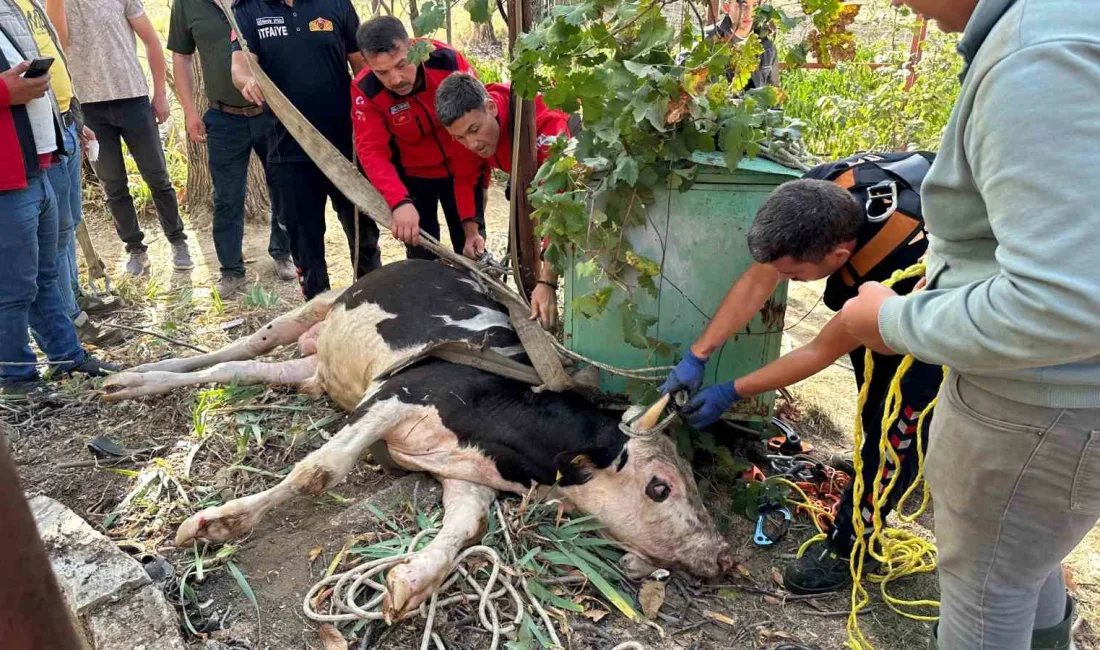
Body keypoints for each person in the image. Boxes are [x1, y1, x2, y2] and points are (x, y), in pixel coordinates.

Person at [839, 0, 1099, 648]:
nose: (895, 3)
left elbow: (1066, 303)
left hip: (1037, 405)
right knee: (1018, 566)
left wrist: (894, 319)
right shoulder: (1060, 28)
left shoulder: (1037, 55)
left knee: (986, 595)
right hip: (1054, 405)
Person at [660, 153, 942, 596]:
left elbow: (821, 348)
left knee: (895, 425)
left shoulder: (901, 261)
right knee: (872, 399)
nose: (785, 279)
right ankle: (873, 471)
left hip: (929, 318)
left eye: (794, 274)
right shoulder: (820, 191)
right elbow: (759, 280)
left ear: (839, 255)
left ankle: (853, 543)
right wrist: (699, 354)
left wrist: (731, 391)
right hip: (879, 291)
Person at [231, 0, 381, 300]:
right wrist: (248, 82)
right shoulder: (248, 10)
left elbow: (362, 65)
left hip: (344, 148)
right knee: (306, 244)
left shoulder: (337, 4)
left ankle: (374, 303)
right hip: (288, 149)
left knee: (363, 234)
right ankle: (317, 314)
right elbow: (241, 66)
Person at [0, 17, 117, 393]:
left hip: (37, 164)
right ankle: (17, 379)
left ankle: (67, 357)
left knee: (46, 274)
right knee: (13, 288)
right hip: (5, 180)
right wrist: (5, 91)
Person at [167, 0, 297, 298]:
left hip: (271, 113)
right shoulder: (187, 5)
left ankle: (283, 251)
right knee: (227, 197)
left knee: (285, 186)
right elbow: (182, 57)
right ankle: (231, 271)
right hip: (223, 118)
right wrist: (189, 110)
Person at [62, 0, 194, 277]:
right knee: (112, 184)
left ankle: (178, 241)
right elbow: (57, 44)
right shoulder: (53, 5)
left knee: (157, 175)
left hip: (133, 100)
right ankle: (135, 248)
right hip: (89, 109)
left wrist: (159, 94)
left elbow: (151, 41)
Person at [436, 72, 577, 329]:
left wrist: (547, 283)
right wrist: (471, 231)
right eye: (460, 137)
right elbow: (466, 179)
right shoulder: (466, 128)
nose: (471, 144)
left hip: (578, 177)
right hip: (531, 179)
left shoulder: (545, 126)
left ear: (490, 107)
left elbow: (561, 205)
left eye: (474, 131)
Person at [352, 16, 487, 262]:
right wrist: (399, 202)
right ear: (366, 63)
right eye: (382, 72)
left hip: (462, 170)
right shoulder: (365, 89)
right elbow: (371, 151)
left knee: (473, 252)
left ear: (413, 46)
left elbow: (478, 124)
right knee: (421, 259)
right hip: (413, 180)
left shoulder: (448, 61)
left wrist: (472, 220)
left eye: (402, 64)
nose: (395, 79)